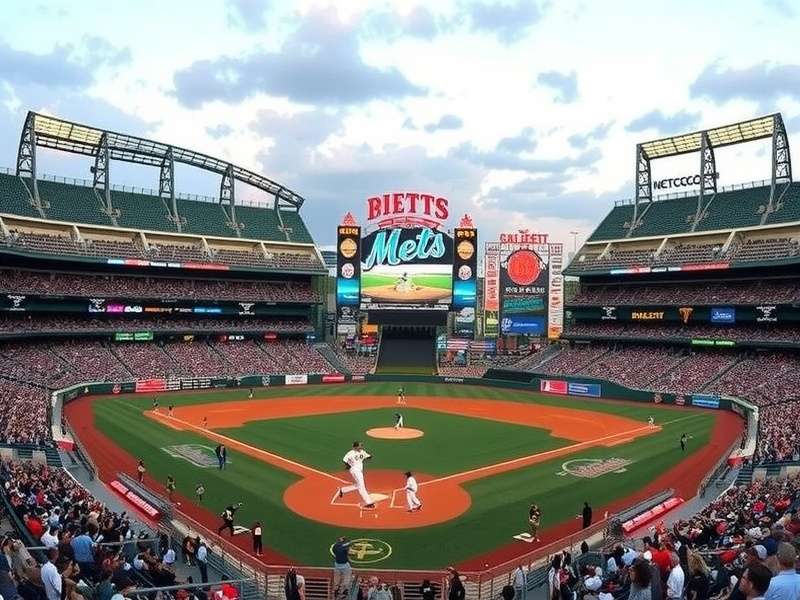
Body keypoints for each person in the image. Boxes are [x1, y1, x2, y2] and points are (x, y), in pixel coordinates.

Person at [338, 441, 375, 508]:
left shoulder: (362, 452)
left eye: (361, 446)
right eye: (359, 446)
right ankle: (368, 502)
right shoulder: (350, 453)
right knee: (361, 486)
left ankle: (343, 490)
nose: (361, 447)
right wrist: (348, 465)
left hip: (360, 470)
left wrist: (369, 456)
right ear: (355, 447)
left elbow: (368, 456)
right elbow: (344, 460)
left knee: (358, 485)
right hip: (354, 470)